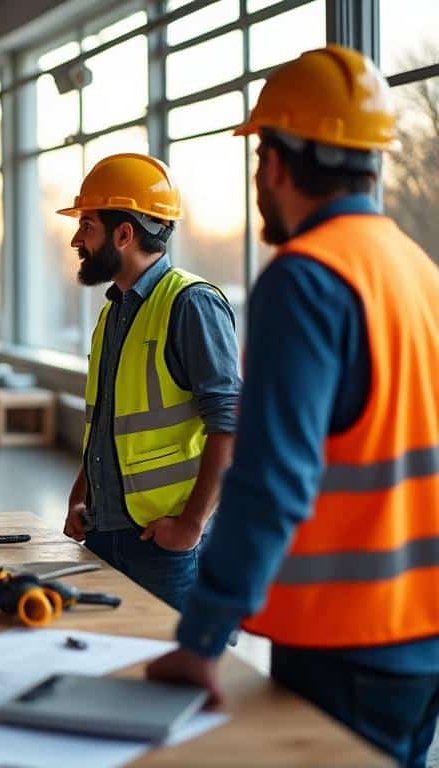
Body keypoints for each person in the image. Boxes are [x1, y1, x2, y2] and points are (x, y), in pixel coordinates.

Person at [145, 45, 439, 768]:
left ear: (274, 164)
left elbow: (270, 479)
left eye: (258, 158)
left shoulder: (305, 279)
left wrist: (202, 636)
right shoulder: (416, 270)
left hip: (350, 638)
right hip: (424, 634)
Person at [57, 154, 241, 610]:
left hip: (167, 545)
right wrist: (84, 496)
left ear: (124, 234)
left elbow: (230, 423)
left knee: (177, 655)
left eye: (87, 226)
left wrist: (191, 526)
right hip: (107, 533)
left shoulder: (191, 304)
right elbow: (110, 422)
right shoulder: (114, 311)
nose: (77, 240)